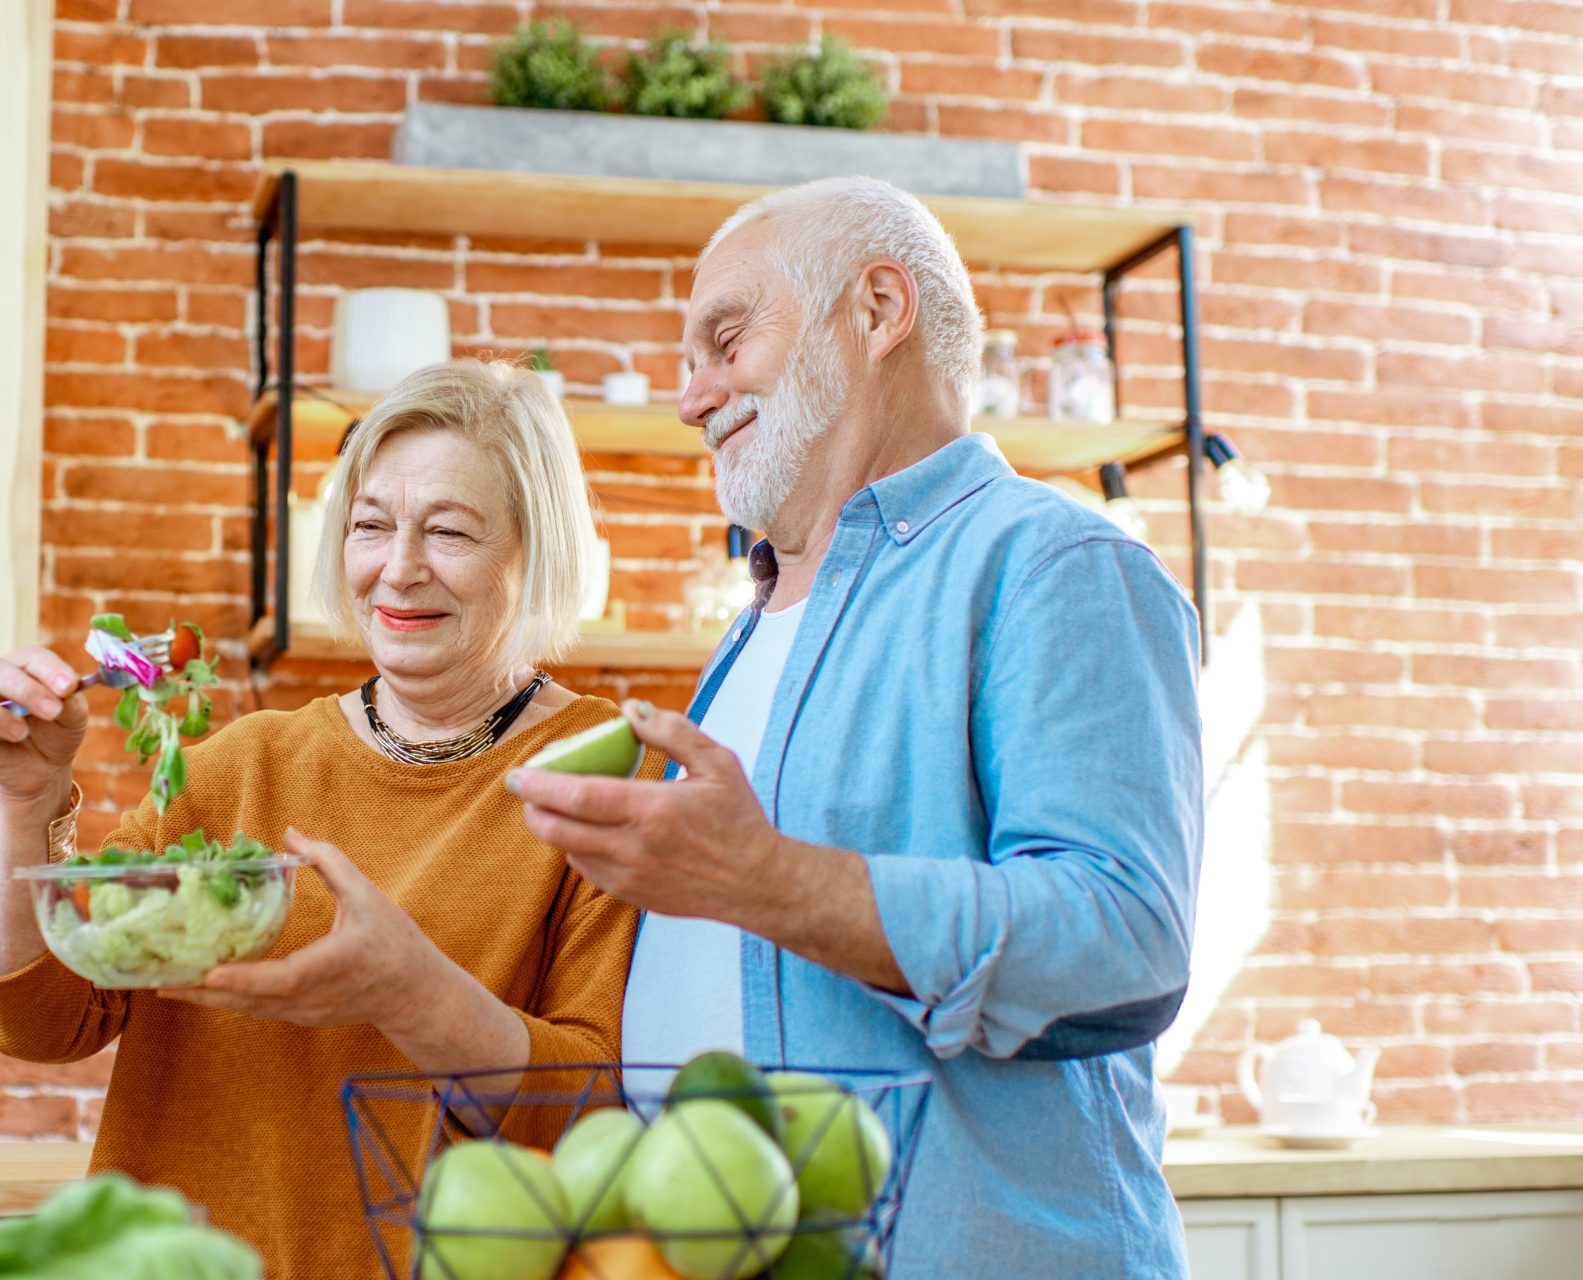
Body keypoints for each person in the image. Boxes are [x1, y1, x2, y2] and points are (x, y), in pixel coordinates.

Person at [509, 176, 1204, 1276]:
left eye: (725, 341)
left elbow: (1124, 941)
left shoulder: (1051, 563)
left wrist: (763, 877)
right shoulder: (755, 628)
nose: (692, 398)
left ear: (878, 311)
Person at [0, 358, 650, 1277]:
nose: (400, 567)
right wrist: (24, 805)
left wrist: (414, 994)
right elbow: (43, 1020)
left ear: (533, 549)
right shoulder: (235, 767)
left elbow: (596, 1114)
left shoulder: (607, 776)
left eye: (451, 532)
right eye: (371, 526)